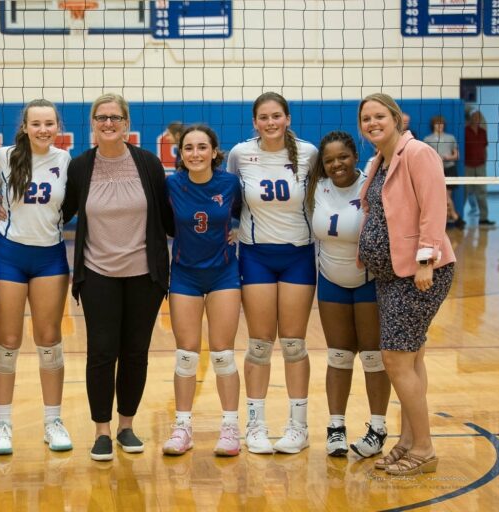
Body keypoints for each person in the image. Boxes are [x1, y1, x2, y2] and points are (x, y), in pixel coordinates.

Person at [62, 93, 174, 461]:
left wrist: (214, 228)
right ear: (92, 123)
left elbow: (168, 217)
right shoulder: (80, 167)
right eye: (101, 117)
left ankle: (126, 426)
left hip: (145, 275)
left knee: (135, 353)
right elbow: (59, 213)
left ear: (126, 123)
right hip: (98, 274)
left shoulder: (148, 163)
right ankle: (102, 431)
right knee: (101, 352)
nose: (108, 123)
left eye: (115, 118)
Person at [357, 93, 455, 476]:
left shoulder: (418, 153)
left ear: (396, 118)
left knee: (396, 359)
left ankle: (426, 451)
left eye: (379, 115)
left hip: (417, 273)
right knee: (411, 359)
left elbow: (433, 209)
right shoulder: (380, 159)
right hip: (390, 274)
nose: (372, 123)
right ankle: (409, 440)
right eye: (366, 118)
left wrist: (426, 260)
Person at [227, 91, 318, 454]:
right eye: (263, 117)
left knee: (294, 344)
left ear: (287, 118)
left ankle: (298, 427)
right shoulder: (240, 154)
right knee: (260, 344)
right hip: (255, 256)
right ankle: (256, 424)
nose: (270, 123)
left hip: (298, 255)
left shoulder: (309, 154)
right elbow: (228, 196)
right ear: (255, 122)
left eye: (276, 116)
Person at [0, 99, 73, 454]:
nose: (42, 130)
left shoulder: (66, 160)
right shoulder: (3, 157)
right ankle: (1, 424)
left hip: (50, 255)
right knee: (7, 340)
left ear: (58, 127)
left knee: (49, 339)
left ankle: (53, 421)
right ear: (24, 126)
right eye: (35, 124)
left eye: (49, 124)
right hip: (9, 254)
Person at [306, 131, 391, 458]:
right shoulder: (316, 187)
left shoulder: (372, 181)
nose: (336, 164)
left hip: (369, 279)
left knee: (373, 356)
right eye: (329, 160)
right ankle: (335, 428)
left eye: (342, 156)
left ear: (355, 156)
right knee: (338, 355)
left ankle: (378, 428)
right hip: (331, 279)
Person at [161, 125, 242, 456]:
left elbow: (248, 215)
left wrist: (241, 234)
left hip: (223, 272)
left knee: (223, 353)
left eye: (201, 147)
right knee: (186, 353)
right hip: (184, 275)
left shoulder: (230, 183)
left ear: (214, 152)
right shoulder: (171, 184)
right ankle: (182, 428)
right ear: (180, 155)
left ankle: (231, 428)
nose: (195, 154)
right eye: (188, 148)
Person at [423, 115, 464, 228]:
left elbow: (456, 156)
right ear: (433, 125)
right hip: (436, 169)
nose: (440, 126)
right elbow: (425, 156)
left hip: (449, 168)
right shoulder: (428, 139)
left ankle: (446, 221)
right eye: (437, 123)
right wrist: (436, 158)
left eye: (441, 123)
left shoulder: (450, 138)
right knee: (442, 196)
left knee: (446, 196)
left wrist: (448, 157)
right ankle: (455, 217)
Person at [465, 110, 495, 226]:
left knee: (482, 192)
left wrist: (485, 161)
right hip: (467, 165)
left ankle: (483, 218)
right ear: (471, 118)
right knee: (465, 192)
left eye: (478, 117)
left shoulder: (483, 132)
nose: (477, 119)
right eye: (474, 116)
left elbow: (484, 148)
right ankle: (459, 218)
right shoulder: (465, 130)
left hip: (481, 165)